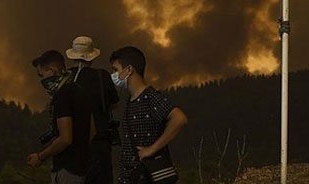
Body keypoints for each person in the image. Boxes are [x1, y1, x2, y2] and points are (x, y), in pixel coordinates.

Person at [110, 46, 188, 184]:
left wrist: (152, 149)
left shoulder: (150, 97)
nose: (114, 75)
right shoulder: (131, 100)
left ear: (129, 69)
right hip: (132, 176)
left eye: (116, 70)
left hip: (146, 176)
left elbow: (179, 118)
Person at [27, 50, 92, 184]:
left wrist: (40, 157)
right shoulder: (79, 90)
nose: (42, 80)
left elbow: (65, 139)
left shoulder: (62, 95)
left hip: (67, 170)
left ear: (53, 70)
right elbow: (92, 131)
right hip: (81, 168)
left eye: (42, 75)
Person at [65, 36, 120, 184]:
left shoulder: (66, 78)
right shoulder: (102, 76)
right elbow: (114, 104)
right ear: (92, 57)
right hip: (99, 146)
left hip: (72, 146)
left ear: (73, 56)